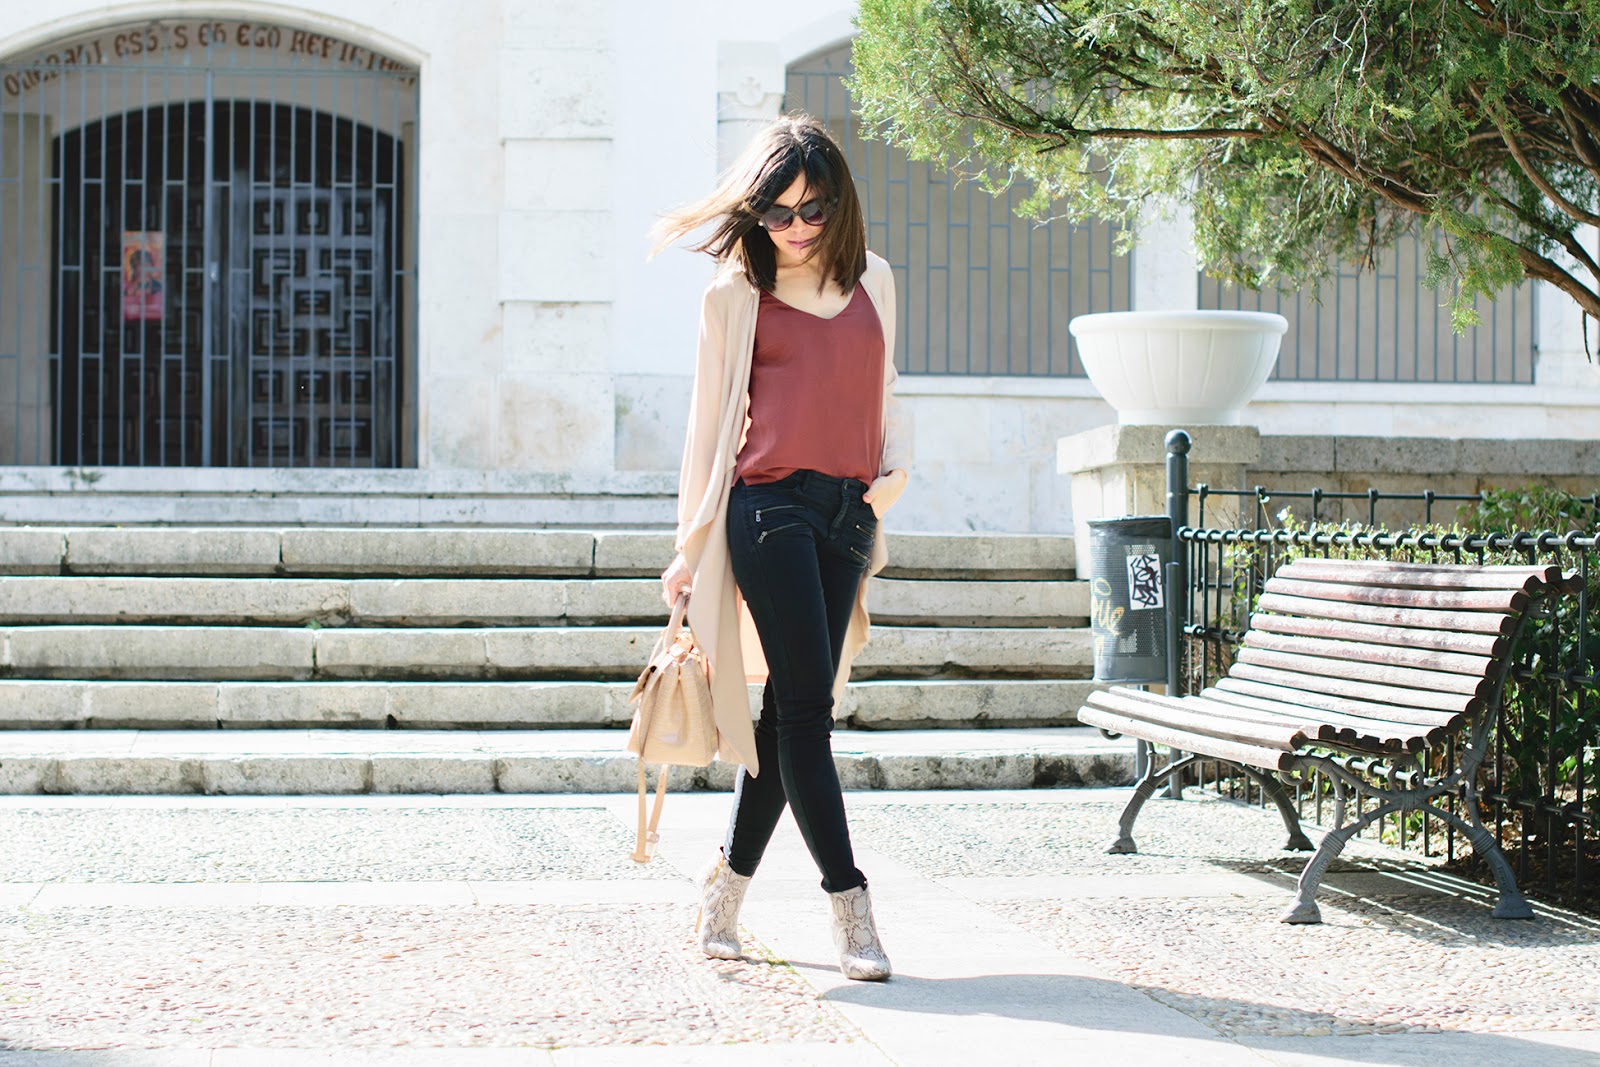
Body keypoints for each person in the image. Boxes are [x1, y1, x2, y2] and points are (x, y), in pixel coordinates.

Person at [653, 114, 910, 981]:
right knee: (806, 715)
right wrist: (689, 544)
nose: (798, 229)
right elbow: (707, 427)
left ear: (841, 204)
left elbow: (887, 384)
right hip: (768, 508)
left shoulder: (875, 278)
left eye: (814, 209)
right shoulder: (735, 294)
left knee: (787, 715)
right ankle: (852, 909)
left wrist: (890, 478)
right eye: (778, 214)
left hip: (849, 512)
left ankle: (723, 886)